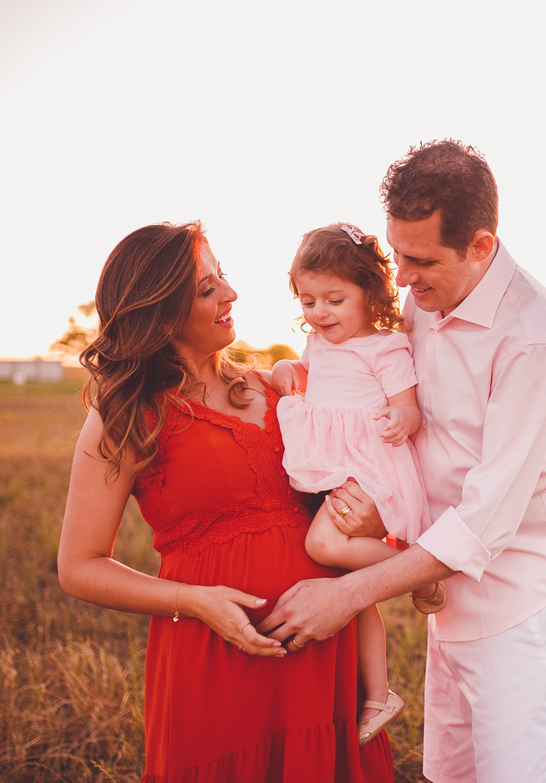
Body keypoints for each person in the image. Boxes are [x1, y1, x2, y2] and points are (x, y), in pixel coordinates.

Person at [259, 140, 546, 783]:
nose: (401, 279)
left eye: (420, 261)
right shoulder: (424, 298)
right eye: (397, 255)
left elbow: (485, 521)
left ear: (480, 245)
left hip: (526, 607)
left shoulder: (533, 340)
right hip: (446, 602)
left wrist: (345, 595)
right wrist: (371, 505)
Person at [57, 222, 394, 782]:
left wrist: (372, 517)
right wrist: (195, 601)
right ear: (160, 311)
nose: (231, 294)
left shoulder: (280, 388)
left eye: (223, 276)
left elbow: (369, 478)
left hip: (323, 653)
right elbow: (79, 566)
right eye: (206, 288)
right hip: (215, 661)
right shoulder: (127, 417)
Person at [271, 222, 446, 745]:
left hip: (372, 466)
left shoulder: (385, 348)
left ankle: (419, 572)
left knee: (323, 545)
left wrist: (401, 421)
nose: (319, 313)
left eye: (334, 300)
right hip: (337, 471)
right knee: (355, 591)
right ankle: (378, 694)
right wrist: (284, 365)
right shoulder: (318, 345)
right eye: (308, 301)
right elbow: (303, 372)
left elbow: (408, 408)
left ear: (368, 294)